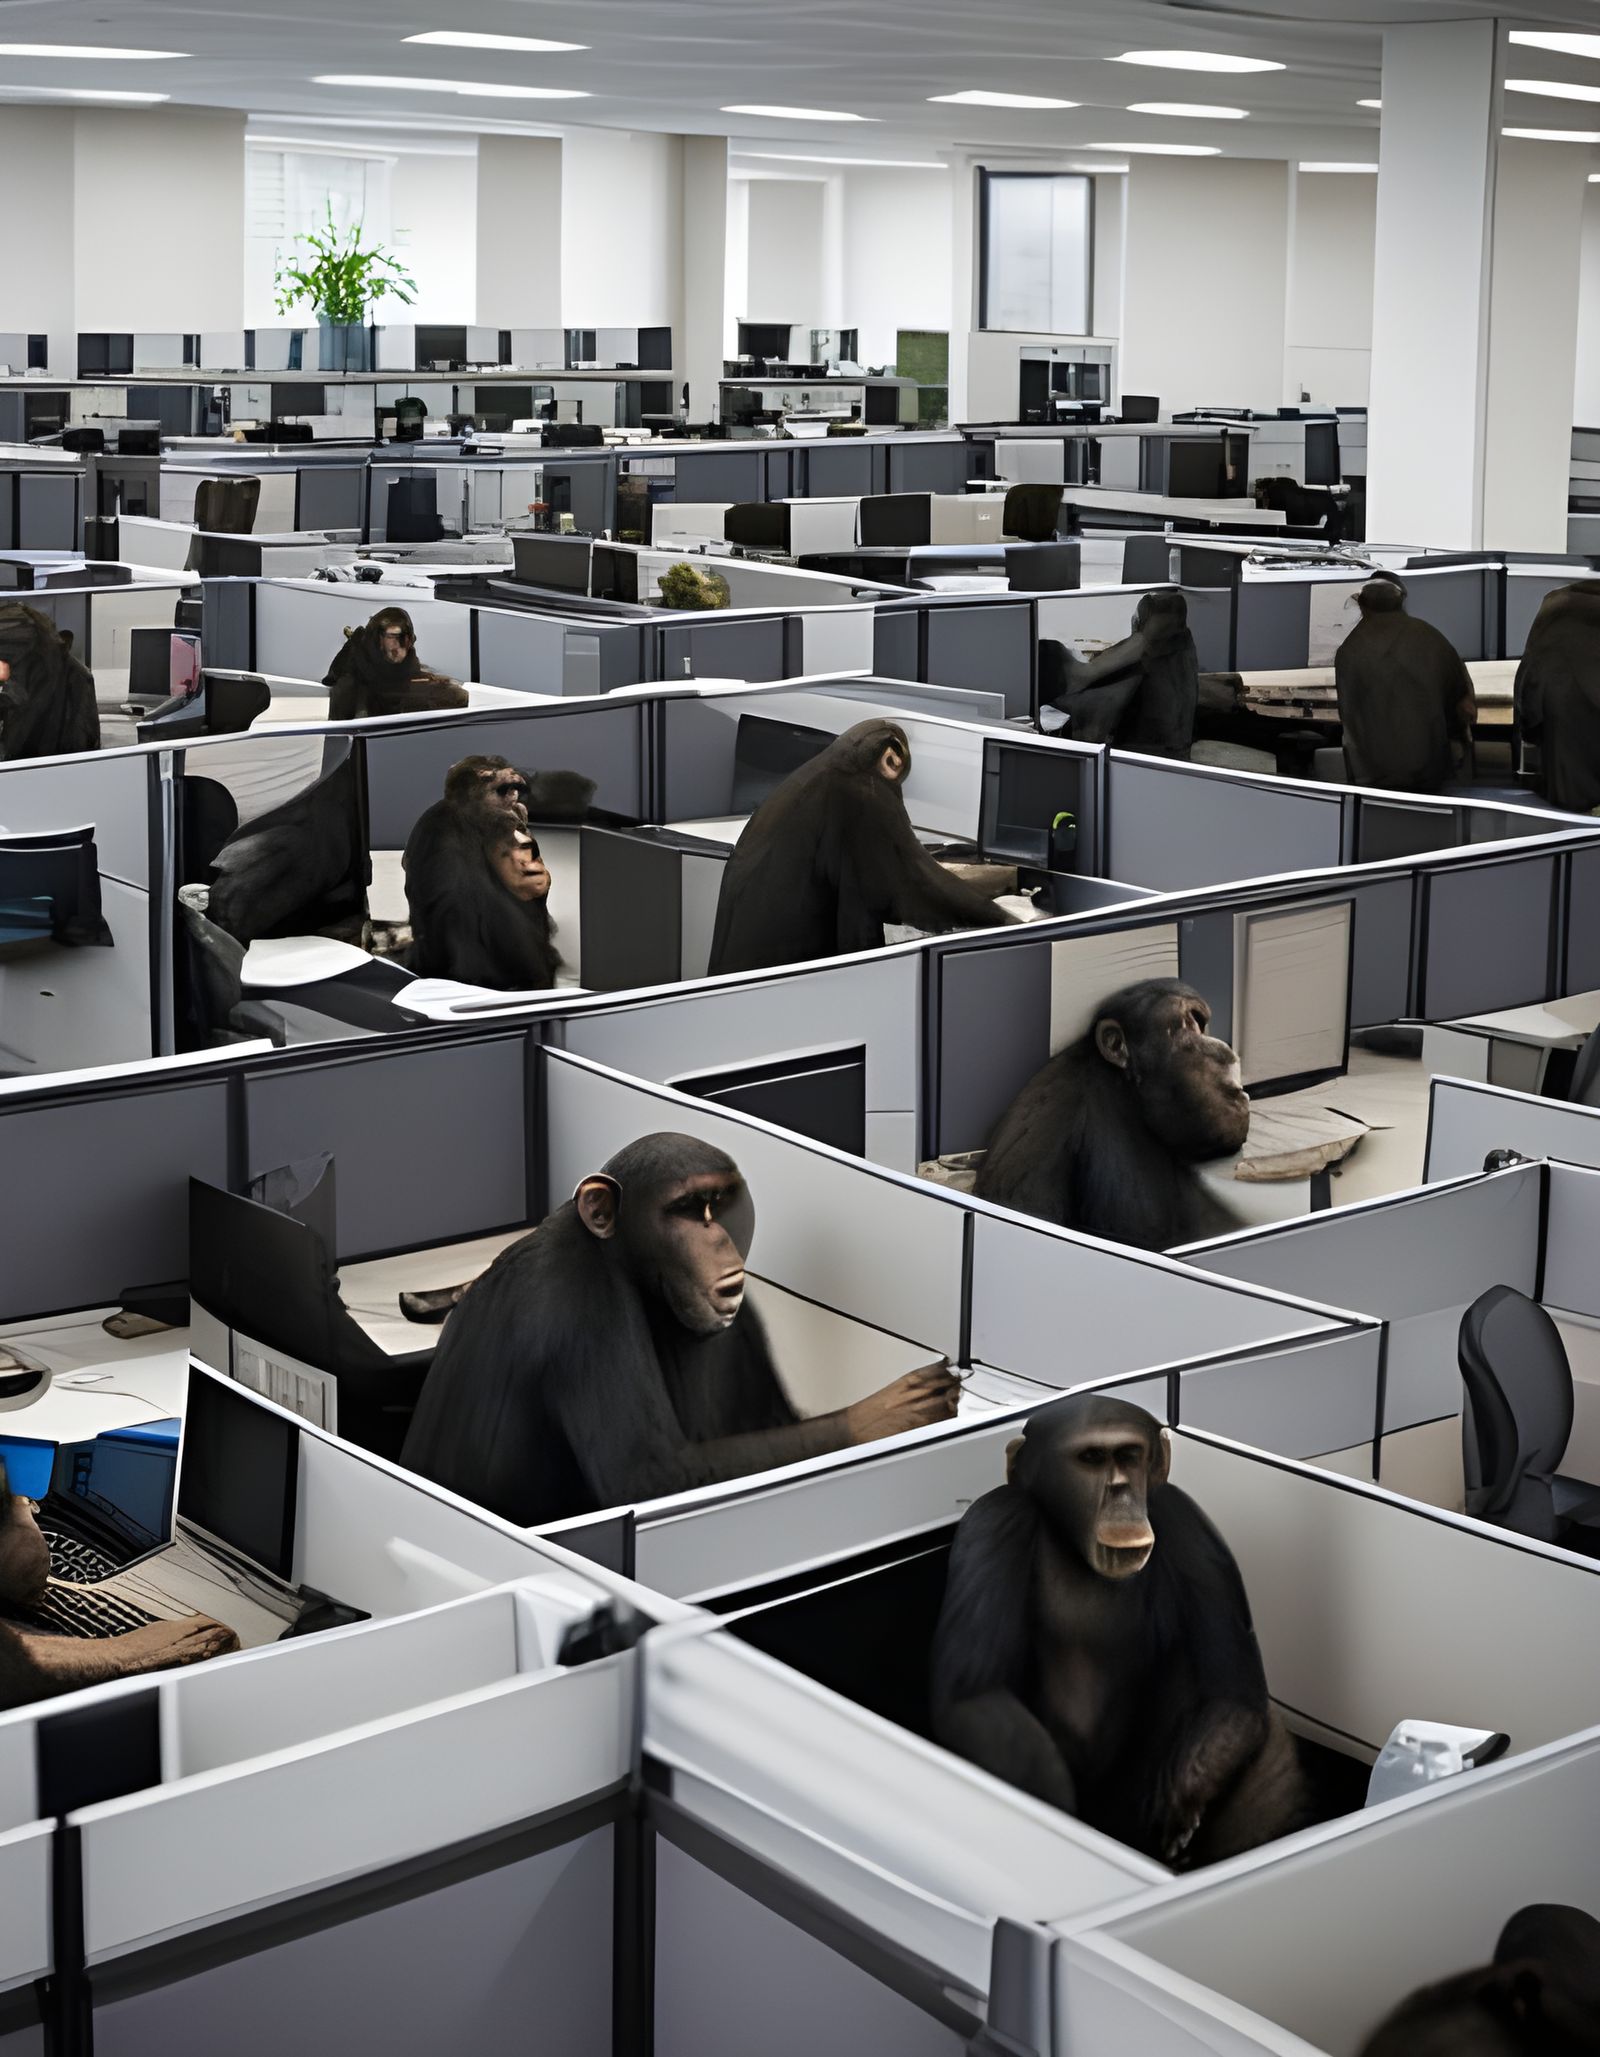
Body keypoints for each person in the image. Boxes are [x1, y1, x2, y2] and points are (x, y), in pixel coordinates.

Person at [324, 607, 468, 721]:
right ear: (377, 640)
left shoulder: (420, 678)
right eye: (392, 636)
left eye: (405, 637)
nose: (399, 643)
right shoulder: (352, 684)